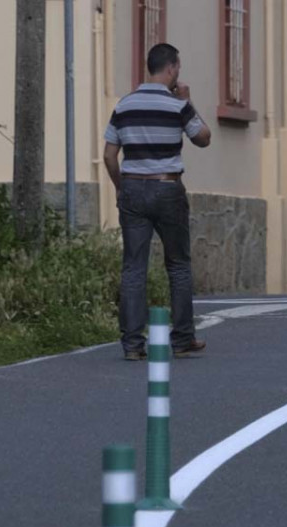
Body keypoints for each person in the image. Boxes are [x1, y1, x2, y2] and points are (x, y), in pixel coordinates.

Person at [103, 43, 212, 361]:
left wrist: (120, 187)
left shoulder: (123, 106)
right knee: (178, 265)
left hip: (133, 189)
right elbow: (203, 138)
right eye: (178, 67)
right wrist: (188, 102)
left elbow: (110, 155)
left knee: (133, 268)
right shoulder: (177, 106)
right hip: (168, 189)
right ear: (172, 68)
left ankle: (133, 345)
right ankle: (181, 338)